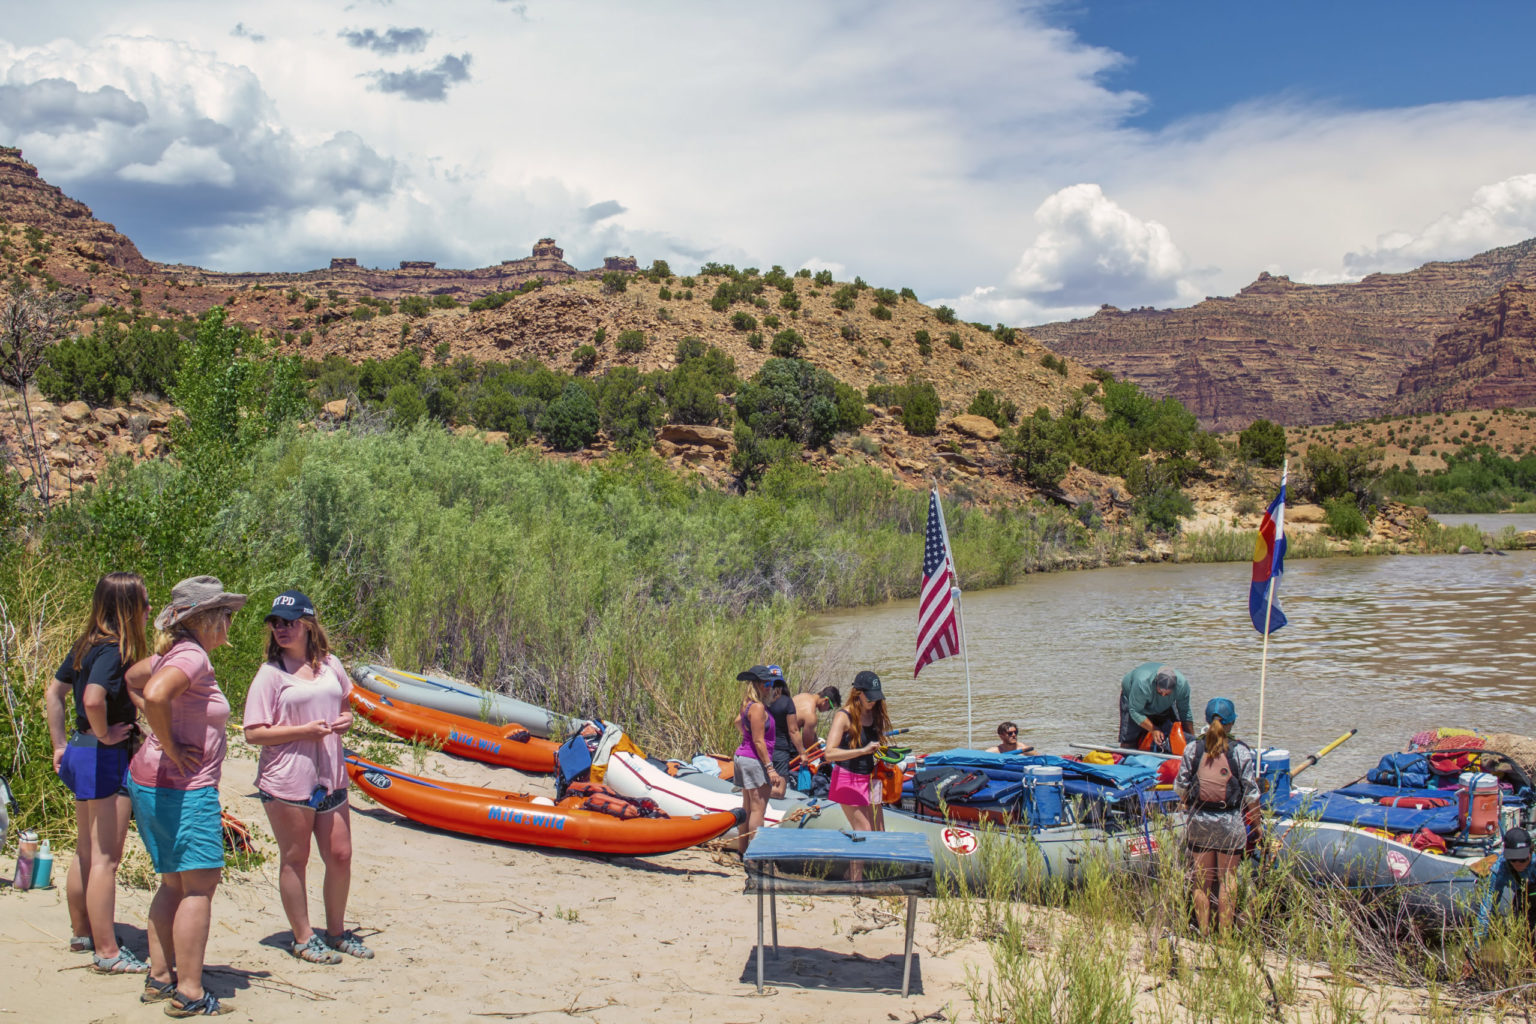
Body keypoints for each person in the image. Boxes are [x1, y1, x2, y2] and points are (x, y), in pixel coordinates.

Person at [126, 575, 246, 1017]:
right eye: (227, 616)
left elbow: (134, 680)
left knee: (173, 883)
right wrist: (173, 747)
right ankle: (190, 991)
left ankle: (160, 977)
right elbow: (153, 692)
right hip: (183, 790)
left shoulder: (171, 652)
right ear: (207, 618)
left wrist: (156, 732)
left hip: (150, 783)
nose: (231, 624)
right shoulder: (191, 655)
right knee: (199, 887)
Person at [242, 591, 371, 965]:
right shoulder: (271, 674)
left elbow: (344, 706)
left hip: (330, 775)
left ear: (308, 624)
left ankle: (335, 932)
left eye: (289, 622)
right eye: (276, 623)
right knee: (295, 858)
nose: (282, 629)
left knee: (340, 855)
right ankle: (302, 937)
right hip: (287, 780)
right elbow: (253, 732)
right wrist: (302, 731)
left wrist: (345, 720)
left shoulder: (331, 664)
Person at [44, 573, 152, 974]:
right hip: (103, 755)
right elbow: (92, 699)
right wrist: (106, 733)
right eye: (143, 602)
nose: (149, 610)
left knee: (87, 851)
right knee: (106, 856)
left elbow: (54, 693)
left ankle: (83, 932)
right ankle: (107, 951)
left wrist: (60, 745)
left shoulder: (86, 644)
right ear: (128, 608)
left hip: (80, 750)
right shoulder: (115, 649)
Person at [1174, 697, 1259, 934]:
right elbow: (1252, 794)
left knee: (1201, 882)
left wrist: (1188, 804)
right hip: (1229, 821)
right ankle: (1225, 937)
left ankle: (1203, 931)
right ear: (1231, 722)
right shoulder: (1240, 751)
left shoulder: (1193, 748)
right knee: (1227, 880)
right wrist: (1258, 826)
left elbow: (1180, 786)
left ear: (1205, 719)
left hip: (1199, 821)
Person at [823, 671, 891, 832]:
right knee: (864, 832)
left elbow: (872, 745)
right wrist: (862, 751)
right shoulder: (843, 716)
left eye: (876, 697)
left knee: (879, 832)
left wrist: (883, 754)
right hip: (847, 779)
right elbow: (829, 753)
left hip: (871, 779)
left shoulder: (875, 714)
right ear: (858, 693)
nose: (873, 701)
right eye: (869, 696)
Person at [732, 666, 783, 855]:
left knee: (747, 806)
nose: (771, 688)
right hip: (754, 761)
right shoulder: (759, 707)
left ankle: (743, 851)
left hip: (743, 757)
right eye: (768, 684)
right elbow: (759, 740)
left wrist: (746, 736)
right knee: (758, 810)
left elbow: (738, 721)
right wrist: (770, 768)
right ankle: (755, 855)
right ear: (759, 685)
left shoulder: (747, 703)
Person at [1473, 827, 1536, 947]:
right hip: (1522, 900)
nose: (1518, 863)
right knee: (1524, 939)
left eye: (1522, 858)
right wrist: (1476, 947)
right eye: (1513, 858)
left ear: (1531, 852)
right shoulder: (1500, 870)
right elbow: (1486, 909)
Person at [1119, 662, 1194, 753]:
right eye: (1160, 692)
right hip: (1135, 702)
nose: (1163, 695)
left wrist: (1193, 743)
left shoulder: (1182, 685)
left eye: (1167, 694)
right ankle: (1126, 757)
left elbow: (1185, 712)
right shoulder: (1142, 683)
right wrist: (1153, 729)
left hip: (1165, 705)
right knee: (1129, 739)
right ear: (1155, 682)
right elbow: (1135, 711)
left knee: (1175, 730)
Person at [763, 667, 797, 798]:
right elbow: (793, 731)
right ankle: (750, 791)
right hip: (780, 750)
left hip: (762, 748)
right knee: (779, 792)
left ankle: (751, 790)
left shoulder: (761, 702)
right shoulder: (787, 702)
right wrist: (802, 753)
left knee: (766, 780)